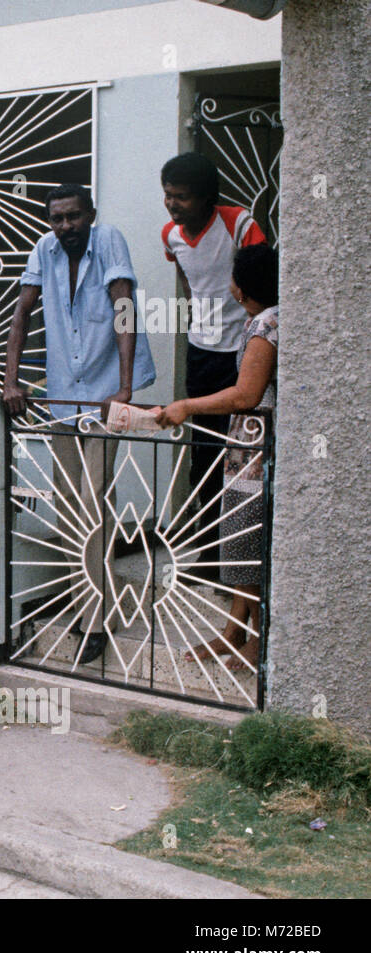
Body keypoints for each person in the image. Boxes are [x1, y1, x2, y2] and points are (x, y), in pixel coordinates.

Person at [2, 184, 156, 667]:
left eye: (72, 217)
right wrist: (11, 382)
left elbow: (123, 304)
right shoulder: (44, 250)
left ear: (90, 213)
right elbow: (22, 311)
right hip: (64, 395)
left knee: (94, 502)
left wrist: (125, 389)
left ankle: (94, 620)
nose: (65, 226)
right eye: (57, 219)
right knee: (70, 505)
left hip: (105, 392)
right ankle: (86, 600)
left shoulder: (108, 239)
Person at [154, 244, 279, 673]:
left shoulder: (266, 326)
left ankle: (255, 641)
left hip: (255, 450)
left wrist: (187, 406)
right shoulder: (263, 319)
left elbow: (247, 395)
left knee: (251, 542)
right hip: (247, 448)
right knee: (243, 542)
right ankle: (235, 630)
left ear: (241, 289)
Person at [161, 151, 268, 582]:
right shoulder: (170, 235)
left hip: (242, 352)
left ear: (207, 196)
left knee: (242, 459)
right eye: (168, 196)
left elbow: (263, 273)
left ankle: (239, 565)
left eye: (182, 197)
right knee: (202, 455)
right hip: (201, 351)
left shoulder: (238, 223)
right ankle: (204, 558)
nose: (172, 205)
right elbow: (190, 281)